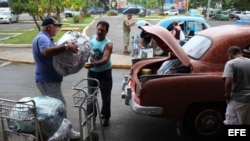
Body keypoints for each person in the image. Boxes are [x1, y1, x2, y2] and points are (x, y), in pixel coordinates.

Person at [32, 17, 80, 139]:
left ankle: (62, 133)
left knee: (53, 109)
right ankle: (63, 134)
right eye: (55, 26)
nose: (57, 29)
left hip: (47, 80)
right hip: (48, 80)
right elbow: (46, 52)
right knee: (60, 108)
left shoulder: (44, 37)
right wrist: (66, 47)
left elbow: (51, 51)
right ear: (49, 27)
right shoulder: (42, 38)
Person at [84, 21, 113, 127]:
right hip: (92, 73)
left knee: (106, 96)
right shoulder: (91, 39)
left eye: (103, 30)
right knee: (91, 95)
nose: (100, 32)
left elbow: (105, 58)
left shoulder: (108, 44)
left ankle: (105, 116)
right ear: (96, 29)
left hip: (105, 73)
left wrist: (93, 64)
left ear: (106, 32)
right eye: (98, 29)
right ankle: (91, 116)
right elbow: (87, 51)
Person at [222, 46, 250, 125]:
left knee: (233, 124)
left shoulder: (231, 63)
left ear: (230, 55)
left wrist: (227, 96)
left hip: (237, 100)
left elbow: (228, 82)